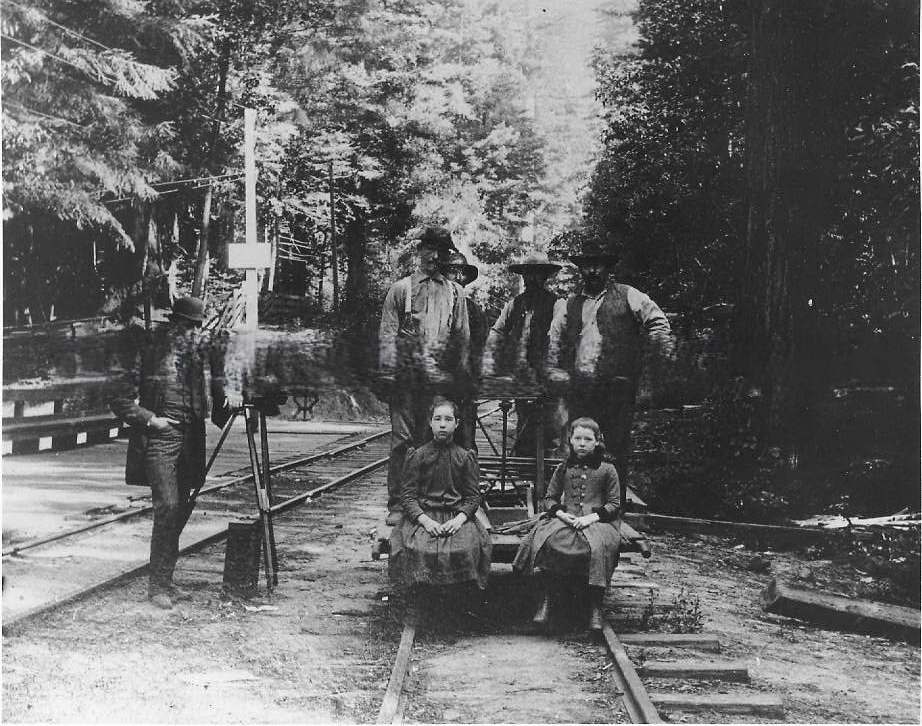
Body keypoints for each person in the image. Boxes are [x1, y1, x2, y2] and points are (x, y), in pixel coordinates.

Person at [110, 295, 227, 609]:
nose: (192, 333)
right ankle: (157, 587)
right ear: (174, 324)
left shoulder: (197, 357)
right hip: (160, 439)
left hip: (191, 440)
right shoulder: (150, 350)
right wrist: (152, 421)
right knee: (168, 507)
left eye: (196, 328)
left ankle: (166, 580)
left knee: (183, 507)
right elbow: (118, 399)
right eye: (188, 326)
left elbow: (218, 400)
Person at [545, 240, 673, 503]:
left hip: (617, 386)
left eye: (598, 266)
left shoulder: (628, 295)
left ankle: (613, 507)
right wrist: (554, 372)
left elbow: (659, 324)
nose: (592, 271)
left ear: (607, 268)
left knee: (614, 448)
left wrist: (649, 363)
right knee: (579, 445)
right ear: (581, 270)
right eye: (587, 266)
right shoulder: (570, 303)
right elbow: (555, 340)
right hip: (579, 387)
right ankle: (579, 504)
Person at [378, 227, 471, 525]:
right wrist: (388, 375)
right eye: (428, 249)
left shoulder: (456, 293)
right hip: (406, 379)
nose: (433, 256)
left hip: (440, 380)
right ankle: (397, 504)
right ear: (418, 252)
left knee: (435, 440)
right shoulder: (401, 289)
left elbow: (462, 338)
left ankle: (429, 500)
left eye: (439, 251)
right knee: (403, 441)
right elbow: (388, 336)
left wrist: (462, 379)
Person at [513, 417, 620, 631]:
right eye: (577, 438)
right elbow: (550, 498)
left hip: (598, 522)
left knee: (597, 548)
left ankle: (595, 606)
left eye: (588, 439)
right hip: (566, 519)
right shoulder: (564, 468)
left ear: (597, 441)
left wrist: (590, 518)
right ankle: (546, 601)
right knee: (545, 542)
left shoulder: (607, 469)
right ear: (570, 440)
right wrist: (562, 515)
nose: (582, 443)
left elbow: (615, 503)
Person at [388, 397, 492, 595]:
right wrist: (426, 522)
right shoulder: (417, 456)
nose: (442, 424)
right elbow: (408, 496)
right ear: (430, 422)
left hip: (456, 516)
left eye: (448, 419)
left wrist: (460, 520)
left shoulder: (465, 457)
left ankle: (455, 605)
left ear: (457, 424)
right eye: (437, 419)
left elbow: (472, 497)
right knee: (415, 548)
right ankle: (415, 609)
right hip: (424, 515)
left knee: (468, 547)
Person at [481, 252, 561, 456]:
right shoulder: (514, 304)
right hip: (521, 375)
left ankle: (546, 475)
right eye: (528, 275)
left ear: (545, 277)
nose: (531, 279)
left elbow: (561, 338)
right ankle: (525, 471)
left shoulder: (557, 304)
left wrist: (553, 369)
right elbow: (497, 331)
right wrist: (490, 363)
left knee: (548, 426)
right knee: (524, 421)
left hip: (546, 376)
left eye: (537, 275)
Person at [440, 250, 485, 451]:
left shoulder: (474, 310)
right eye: (451, 272)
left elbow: (480, 346)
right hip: (438, 382)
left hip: (464, 383)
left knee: (466, 436)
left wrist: (472, 378)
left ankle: (466, 476)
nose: (457, 277)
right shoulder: (432, 308)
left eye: (460, 273)